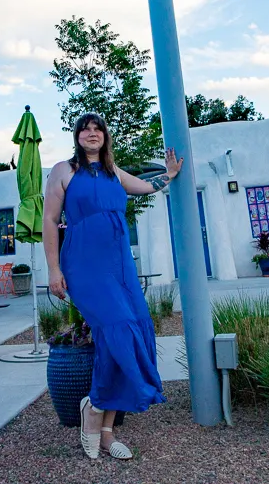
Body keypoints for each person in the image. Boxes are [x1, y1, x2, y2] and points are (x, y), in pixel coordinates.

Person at [43, 112, 182, 461]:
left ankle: (104, 427)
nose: (91, 133)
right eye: (85, 129)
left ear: (105, 137)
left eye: (98, 129)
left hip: (120, 267)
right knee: (117, 330)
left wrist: (171, 175)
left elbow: (149, 187)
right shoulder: (64, 171)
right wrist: (53, 269)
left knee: (134, 331)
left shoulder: (113, 174)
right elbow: (49, 220)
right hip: (84, 266)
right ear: (77, 137)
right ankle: (95, 410)